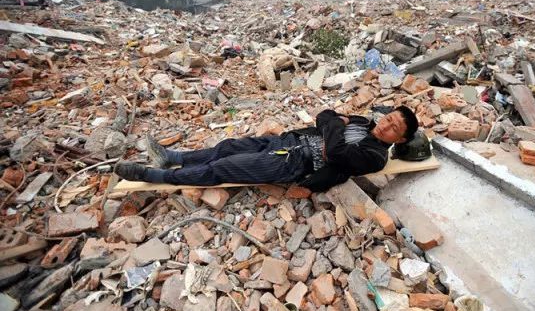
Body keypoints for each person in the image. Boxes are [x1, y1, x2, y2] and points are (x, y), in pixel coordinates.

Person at [115, 106, 418, 192]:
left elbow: (337, 152)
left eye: (394, 129)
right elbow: (324, 115)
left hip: (294, 162)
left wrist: (334, 128)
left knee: (223, 169)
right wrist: (332, 127)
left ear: (400, 140)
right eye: (388, 119)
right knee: (228, 146)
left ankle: (155, 176)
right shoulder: (363, 122)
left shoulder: (375, 157)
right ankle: (172, 157)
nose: (385, 126)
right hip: (287, 140)